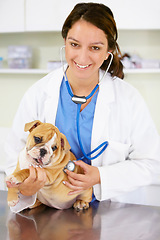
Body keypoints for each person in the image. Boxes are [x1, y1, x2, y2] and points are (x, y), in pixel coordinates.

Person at [5, 2, 160, 213]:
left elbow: (151, 163)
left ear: (109, 52)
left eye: (95, 48)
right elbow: (13, 154)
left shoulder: (129, 99)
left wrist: (100, 177)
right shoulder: (39, 93)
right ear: (65, 42)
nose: (82, 57)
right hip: (49, 210)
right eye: (74, 44)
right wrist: (27, 188)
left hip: (108, 213)